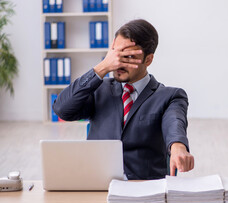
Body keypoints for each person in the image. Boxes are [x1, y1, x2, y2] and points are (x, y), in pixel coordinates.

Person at [53, 19, 194, 180]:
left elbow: (174, 124)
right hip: (98, 185)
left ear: (148, 60)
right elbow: (62, 110)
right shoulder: (97, 88)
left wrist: (178, 147)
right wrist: (102, 67)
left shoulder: (170, 96)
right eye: (116, 54)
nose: (118, 63)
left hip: (144, 188)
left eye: (128, 57)